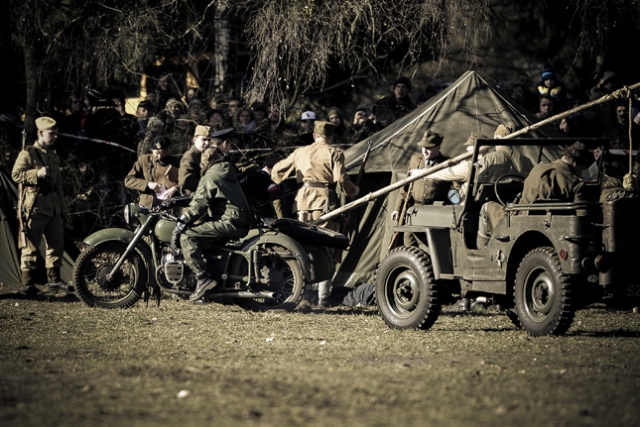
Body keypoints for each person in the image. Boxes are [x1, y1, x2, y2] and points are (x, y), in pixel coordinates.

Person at [270, 121, 359, 306]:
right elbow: (341, 180)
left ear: (314, 135)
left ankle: (304, 295)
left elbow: (277, 170)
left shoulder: (300, 152)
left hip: (302, 201)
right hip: (324, 202)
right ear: (331, 137)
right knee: (327, 248)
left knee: (302, 248)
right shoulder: (335, 152)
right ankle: (323, 298)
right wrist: (354, 191)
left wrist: (278, 185)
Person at [172, 146, 252, 302]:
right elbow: (201, 196)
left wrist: (182, 221)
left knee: (188, 237)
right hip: (237, 219)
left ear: (203, 163)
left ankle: (202, 279)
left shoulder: (210, 177)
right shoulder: (224, 171)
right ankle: (214, 286)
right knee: (206, 242)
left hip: (228, 220)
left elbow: (198, 205)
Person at [11, 117, 68, 296]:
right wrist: (37, 173)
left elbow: (58, 185)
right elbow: (16, 175)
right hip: (35, 205)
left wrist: (63, 208)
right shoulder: (27, 154)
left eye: (56, 133)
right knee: (31, 247)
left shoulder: (53, 155)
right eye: (52, 134)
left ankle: (54, 281)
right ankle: (27, 284)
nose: (55, 137)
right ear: (41, 133)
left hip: (53, 206)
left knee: (56, 246)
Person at [391, 130, 450, 246]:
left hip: (434, 213)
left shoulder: (445, 164)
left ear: (438, 147)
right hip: (414, 210)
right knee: (409, 243)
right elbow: (405, 188)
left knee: (431, 246)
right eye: (423, 147)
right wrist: (397, 209)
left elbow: (452, 191)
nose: (425, 151)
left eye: (429, 148)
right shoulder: (416, 160)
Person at [519, 141, 594, 212]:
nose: (581, 173)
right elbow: (581, 219)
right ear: (575, 163)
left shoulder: (536, 169)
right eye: (582, 168)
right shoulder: (575, 185)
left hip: (520, 220)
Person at [124, 135, 180, 208]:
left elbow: (186, 181)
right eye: (156, 154)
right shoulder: (144, 160)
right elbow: (128, 180)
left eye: (162, 154)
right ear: (152, 150)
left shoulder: (176, 162)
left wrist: (175, 188)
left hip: (169, 205)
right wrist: (148, 184)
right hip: (147, 205)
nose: (159, 157)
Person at [178, 125, 211, 195]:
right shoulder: (190, 157)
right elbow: (185, 181)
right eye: (204, 140)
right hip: (194, 197)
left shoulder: (206, 154)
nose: (207, 143)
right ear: (194, 140)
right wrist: (207, 184)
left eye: (209, 140)